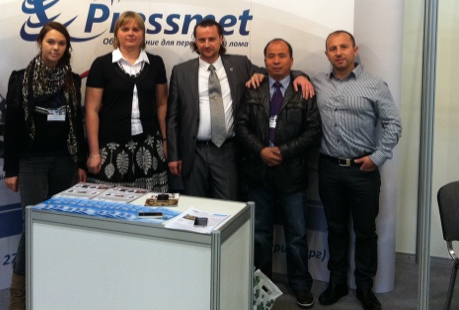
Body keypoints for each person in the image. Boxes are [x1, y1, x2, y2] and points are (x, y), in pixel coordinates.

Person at [167, 19, 313, 200]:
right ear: (195, 41)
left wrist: (299, 75)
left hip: (227, 151)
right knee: (195, 206)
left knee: (228, 206)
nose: (207, 44)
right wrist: (174, 155)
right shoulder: (181, 71)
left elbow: (273, 70)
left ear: (221, 39)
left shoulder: (239, 64)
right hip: (194, 152)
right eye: (201, 40)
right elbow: (173, 117)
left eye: (212, 39)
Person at [314, 30, 402, 310]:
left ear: (355, 50)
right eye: (332, 48)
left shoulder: (374, 84)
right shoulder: (317, 82)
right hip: (329, 169)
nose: (338, 52)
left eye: (344, 47)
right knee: (336, 229)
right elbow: (286, 78)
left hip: (363, 171)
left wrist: (378, 157)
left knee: (365, 232)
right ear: (327, 53)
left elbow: (393, 124)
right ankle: (337, 283)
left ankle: (364, 287)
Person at [3, 21, 87, 310]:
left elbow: (77, 123)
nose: (56, 48)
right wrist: (10, 169)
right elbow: (12, 126)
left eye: (61, 43)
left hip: (64, 161)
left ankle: (53, 291)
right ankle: (18, 298)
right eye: (51, 42)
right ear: (40, 43)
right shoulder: (21, 79)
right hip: (32, 163)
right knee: (32, 226)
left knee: (59, 224)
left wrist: (80, 162)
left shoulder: (72, 80)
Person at [235, 38, 321, 309]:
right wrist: (261, 150)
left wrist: (284, 152)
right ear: (264, 60)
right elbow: (241, 125)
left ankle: (301, 285)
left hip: (291, 173)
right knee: (260, 234)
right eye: (270, 56)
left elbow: (313, 130)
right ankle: (261, 286)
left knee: (296, 235)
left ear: (291, 60)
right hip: (258, 172)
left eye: (281, 55)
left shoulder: (303, 89)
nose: (276, 60)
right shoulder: (253, 87)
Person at [85, 11, 169, 192]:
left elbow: (162, 104)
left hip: (148, 147)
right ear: (117, 33)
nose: (131, 33)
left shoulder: (155, 63)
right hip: (111, 147)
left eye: (136, 29)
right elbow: (92, 110)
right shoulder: (102, 65)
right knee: (110, 203)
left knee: (148, 203)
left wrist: (165, 139)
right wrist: (93, 152)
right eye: (125, 29)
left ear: (143, 34)